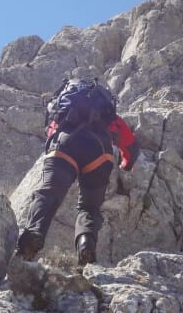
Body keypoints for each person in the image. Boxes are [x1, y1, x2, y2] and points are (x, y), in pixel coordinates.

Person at [11, 78, 139, 265]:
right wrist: (126, 165)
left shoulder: (61, 108)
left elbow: (51, 133)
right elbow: (131, 146)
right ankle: (86, 245)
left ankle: (32, 238)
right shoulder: (107, 115)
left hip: (66, 143)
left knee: (49, 193)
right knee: (89, 207)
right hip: (100, 150)